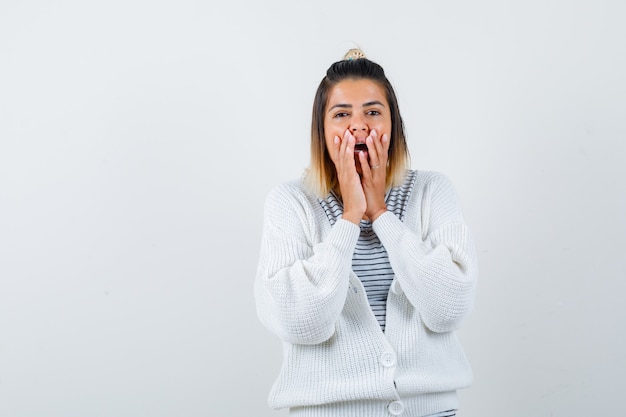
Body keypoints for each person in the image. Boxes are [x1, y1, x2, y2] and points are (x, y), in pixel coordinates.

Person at [254, 48, 478, 417]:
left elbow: (449, 309)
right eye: (342, 114)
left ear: (394, 125)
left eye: (373, 112)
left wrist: (381, 214)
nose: (359, 126)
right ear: (322, 131)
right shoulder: (290, 203)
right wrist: (351, 217)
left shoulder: (432, 192)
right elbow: (300, 322)